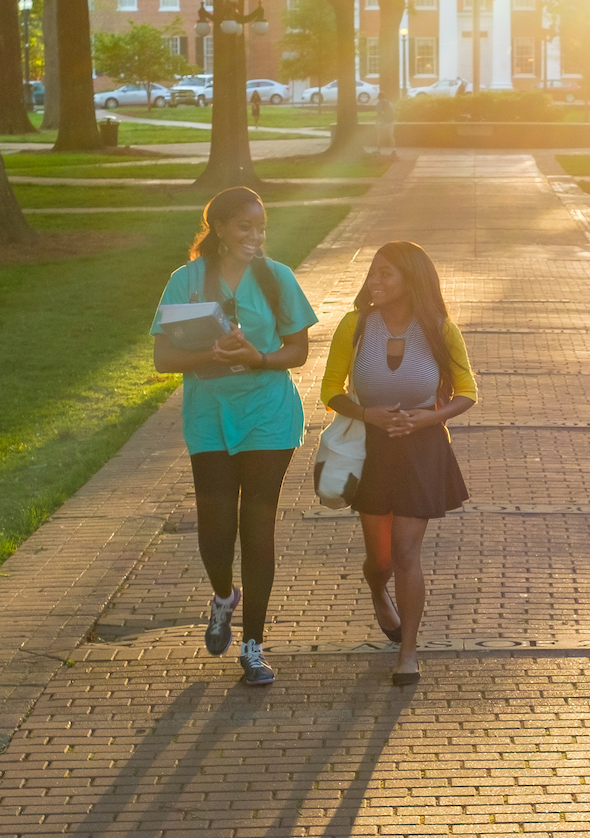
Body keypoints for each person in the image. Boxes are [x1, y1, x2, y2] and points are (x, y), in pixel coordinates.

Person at [151, 187, 317, 686]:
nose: (255, 236)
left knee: (258, 524)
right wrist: (212, 356)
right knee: (217, 529)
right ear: (219, 228)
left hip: (269, 412)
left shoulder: (277, 277)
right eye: (244, 226)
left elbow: (298, 350)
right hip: (210, 415)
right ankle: (223, 596)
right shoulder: (185, 281)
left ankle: (254, 646)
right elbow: (163, 360)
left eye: (261, 226)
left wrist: (257, 358)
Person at [318, 241, 476, 686]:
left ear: (411, 278)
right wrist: (366, 413)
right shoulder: (354, 325)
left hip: (422, 450)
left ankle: (408, 653)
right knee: (381, 559)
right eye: (373, 273)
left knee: (407, 554)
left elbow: (468, 391)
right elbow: (330, 389)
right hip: (371, 450)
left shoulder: (440, 328)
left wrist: (432, 416)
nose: (376, 281)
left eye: (386, 273)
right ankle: (376, 591)